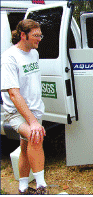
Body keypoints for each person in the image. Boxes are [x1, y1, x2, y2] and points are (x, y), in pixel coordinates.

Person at [1, 19, 48, 194]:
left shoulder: (34, 53)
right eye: (36, 35)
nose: (40, 39)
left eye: (40, 35)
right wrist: (33, 122)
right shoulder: (9, 58)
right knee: (36, 137)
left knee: (25, 146)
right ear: (23, 35)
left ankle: (22, 187)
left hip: (34, 110)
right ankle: (42, 186)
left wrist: (34, 116)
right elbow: (13, 94)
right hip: (17, 112)